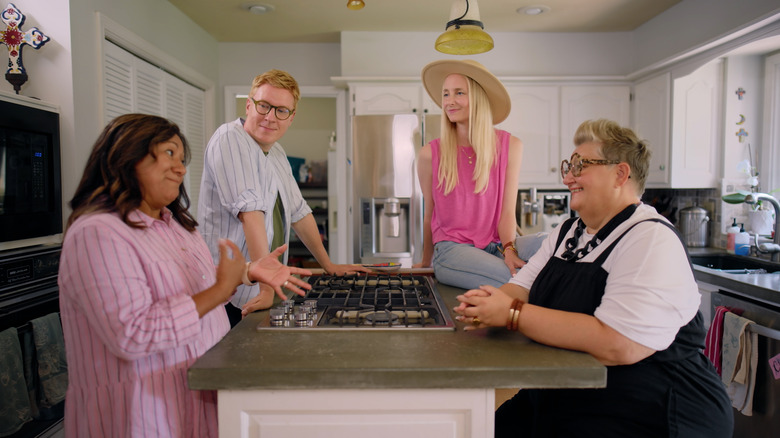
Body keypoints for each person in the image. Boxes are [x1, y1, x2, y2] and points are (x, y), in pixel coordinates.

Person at [454, 119, 733, 437]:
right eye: (568, 166)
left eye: (580, 165)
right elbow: (521, 286)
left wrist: (512, 314)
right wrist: (488, 304)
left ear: (620, 174)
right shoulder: (566, 233)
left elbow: (618, 344)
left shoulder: (649, 238)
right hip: (564, 396)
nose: (568, 177)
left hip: (650, 411)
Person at [58, 114, 312, 437]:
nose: (180, 168)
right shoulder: (97, 233)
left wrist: (247, 272)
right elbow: (132, 334)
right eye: (168, 154)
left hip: (193, 400)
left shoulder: (177, 225)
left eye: (182, 158)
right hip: (139, 413)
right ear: (127, 157)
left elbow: (199, 286)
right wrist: (222, 290)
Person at [198, 69, 369, 326]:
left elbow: (299, 212)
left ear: (291, 117)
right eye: (264, 106)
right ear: (249, 105)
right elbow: (250, 214)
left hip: (263, 288)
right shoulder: (229, 138)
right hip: (229, 294)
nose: (270, 117)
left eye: (281, 110)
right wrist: (266, 287)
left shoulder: (276, 152)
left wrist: (327, 264)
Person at [415, 59, 544, 290]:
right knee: (514, 280)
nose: (449, 101)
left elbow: (506, 212)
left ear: (478, 98)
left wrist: (509, 250)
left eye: (459, 93)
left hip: (496, 244)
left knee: (553, 244)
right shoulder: (429, 154)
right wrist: (426, 261)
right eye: (446, 94)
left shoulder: (510, 145)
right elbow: (429, 214)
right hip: (452, 251)